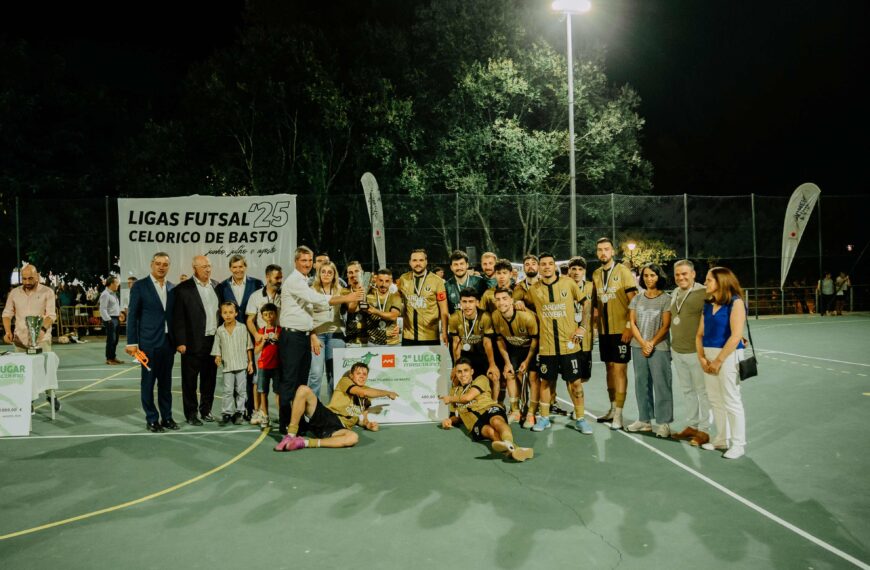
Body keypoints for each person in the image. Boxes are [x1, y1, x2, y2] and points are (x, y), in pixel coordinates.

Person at [277, 246, 362, 435]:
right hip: (292, 337)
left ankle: (299, 420)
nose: (307, 264)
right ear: (296, 262)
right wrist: (346, 297)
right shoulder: (294, 281)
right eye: (303, 261)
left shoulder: (304, 280)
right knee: (290, 382)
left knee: (301, 383)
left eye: (309, 261)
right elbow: (314, 299)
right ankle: (285, 423)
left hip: (303, 336)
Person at [520, 253, 588, 433]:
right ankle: (544, 418)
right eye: (543, 264)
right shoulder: (533, 290)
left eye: (550, 263)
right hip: (547, 346)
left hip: (569, 345)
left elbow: (586, 303)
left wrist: (583, 327)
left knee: (575, 383)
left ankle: (580, 418)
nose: (547, 267)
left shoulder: (568, 283)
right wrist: (519, 303)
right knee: (546, 383)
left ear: (555, 266)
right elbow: (525, 304)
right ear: (539, 268)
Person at [274, 362, 398, 451]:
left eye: (364, 374)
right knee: (303, 389)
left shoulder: (367, 398)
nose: (361, 376)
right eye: (358, 373)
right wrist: (387, 393)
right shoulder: (346, 381)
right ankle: (290, 436)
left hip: (338, 428)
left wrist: (367, 424)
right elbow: (362, 392)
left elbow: (361, 418)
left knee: (353, 437)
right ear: (351, 375)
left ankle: (303, 443)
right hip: (328, 416)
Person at [696, 266, 748, 460]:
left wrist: (718, 360)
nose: (705, 283)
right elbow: (699, 334)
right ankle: (721, 440)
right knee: (715, 400)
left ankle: (738, 444)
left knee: (731, 400)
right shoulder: (708, 304)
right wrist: (701, 357)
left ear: (721, 282)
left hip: (728, 356)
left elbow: (735, 337)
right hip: (708, 354)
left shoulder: (736, 303)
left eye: (709, 280)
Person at [439, 358, 534, 462]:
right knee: (490, 431)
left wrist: (449, 398)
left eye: (466, 370)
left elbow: (467, 398)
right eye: (459, 372)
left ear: (472, 372)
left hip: (488, 408)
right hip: (473, 422)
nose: (463, 374)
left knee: (496, 421)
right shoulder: (454, 391)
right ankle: (515, 451)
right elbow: (456, 416)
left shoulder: (481, 379)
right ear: (456, 373)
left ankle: (508, 443)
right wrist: (449, 420)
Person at [125, 252, 177, 432]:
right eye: (158, 264)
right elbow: (132, 316)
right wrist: (131, 342)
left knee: (166, 384)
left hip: (168, 343)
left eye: (165, 264)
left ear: (169, 267)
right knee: (148, 383)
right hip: (147, 344)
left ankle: (167, 417)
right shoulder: (140, 286)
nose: (162, 267)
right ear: (151, 264)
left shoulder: (172, 287)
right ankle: (152, 419)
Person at [591, 238, 638, 430]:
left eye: (607, 249)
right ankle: (611, 409)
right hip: (604, 331)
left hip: (621, 330)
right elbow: (596, 305)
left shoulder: (623, 271)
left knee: (620, 370)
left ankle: (619, 414)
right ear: (597, 253)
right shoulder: (595, 274)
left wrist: (629, 326)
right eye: (600, 250)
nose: (603, 253)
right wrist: (594, 327)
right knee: (609, 369)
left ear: (613, 252)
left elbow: (634, 301)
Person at [625, 263, 674, 438]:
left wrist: (651, 343)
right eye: (645, 276)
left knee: (662, 385)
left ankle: (664, 423)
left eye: (652, 275)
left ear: (658, 276)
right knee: (641, 384)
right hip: (638, 347)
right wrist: (642, 342)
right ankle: (644, 421)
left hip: (659, 348)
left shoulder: (666, 299)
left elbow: (666, 325)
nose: (649, 279)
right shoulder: (637, 299)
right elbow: (633, 323)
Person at [2, 264, 60, 411]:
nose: (27, 282)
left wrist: (41, 330)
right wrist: (8, 331)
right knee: (23, 372)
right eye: (24, 278)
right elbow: (7, 314)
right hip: (20, 340)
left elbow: (51, 315)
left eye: (30, 278)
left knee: (46, 370)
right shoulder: (14, 293)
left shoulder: (47, 292)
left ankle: (51, 394)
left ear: (37, 276)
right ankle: (28, 401)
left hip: (42, 339)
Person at [172, 255, 220, 426]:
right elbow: (178, 318)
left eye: (209, 266)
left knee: (210, 379)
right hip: (192, 343)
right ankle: (191, 414)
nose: (208, 269)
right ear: (194, 268)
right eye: (204, 266)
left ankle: (206, 411)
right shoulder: (183, 289)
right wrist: (180, 342)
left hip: (213, 342)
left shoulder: (217, 286)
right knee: (190, 381)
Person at [216, 254, 264, 420]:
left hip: (252, 333)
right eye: (234, 267)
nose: (238, 270)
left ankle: (248, 410)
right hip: (231, 335)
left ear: (245, 267)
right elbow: (220, 311)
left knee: (251, 375)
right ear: (230, 268)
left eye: (241, 266)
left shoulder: (257, 284)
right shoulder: (222, 287)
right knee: (232, 379)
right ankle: (231, 411)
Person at [668, 260, 711, 447]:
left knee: (703, 391)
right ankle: (692, 425)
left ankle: (705, 430)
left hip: (696, 351)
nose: (681, 277)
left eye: (684, 274)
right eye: (677, 274)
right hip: (677, 350)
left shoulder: (704, 293)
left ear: (693, 274)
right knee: (687, 391)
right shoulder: (675, 292)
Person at [490, 287, 539, 427]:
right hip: (514, 348)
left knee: (533, 377)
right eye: (498, 300)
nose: (501, 303)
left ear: (512, 300)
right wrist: (507, 362)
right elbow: (499, 339)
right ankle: (515, 410)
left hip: (532, 348)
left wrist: (527, 361)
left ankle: (531, 413)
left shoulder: (526, 316)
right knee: (510, 374)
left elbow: (535, 340)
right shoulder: (495, 316)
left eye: (505, 298)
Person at [308, 261, 348, 401]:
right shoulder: (312, 290)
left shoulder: (341, 290)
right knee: (316, 373)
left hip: (336, 335)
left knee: (335, 374)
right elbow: (307, 315)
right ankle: (313, 410)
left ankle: (333, 408)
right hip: (318, 336)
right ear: (319, 274)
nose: (326, 275)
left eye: (329, 272)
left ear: (334, 275)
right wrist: (312, 336)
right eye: (323, 272)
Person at [565, 257, 595, 434]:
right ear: (569, 270)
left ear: (584, 272)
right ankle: (578, 411)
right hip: (569, 338)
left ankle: (577, 408)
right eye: (573, 268)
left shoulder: (591, 287)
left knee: (583, 378)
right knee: (572, 377)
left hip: (586, 337)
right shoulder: (564, 285)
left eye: (580, 269)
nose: (576, 272)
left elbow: (595, 309)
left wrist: (594, 328)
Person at [448, 288, 499, 391]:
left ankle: (493, 405)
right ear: (460, 303)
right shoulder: (454, 318)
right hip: (465, 355)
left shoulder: (485, 317)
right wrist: (455, 366)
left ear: (477, 302)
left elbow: (487, 342)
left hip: (482, 354)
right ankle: (460, 404)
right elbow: (455, 343)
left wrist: (492, 364)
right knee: (456, 378)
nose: (467, 306)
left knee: (493, 377)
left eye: (471, 302)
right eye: (464, 302)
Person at [211, 301, 254, 425]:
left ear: (236, 313)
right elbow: (217, 347)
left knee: (241, 390)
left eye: (231, 312)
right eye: (225, 313)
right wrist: (218, 357)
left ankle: (240, 411)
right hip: (228, 366)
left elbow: (248, 346)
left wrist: (250, 362)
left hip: (241, 365)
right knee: (227, 390)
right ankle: (227, 413)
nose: (228, 315)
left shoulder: (242, 328)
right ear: (221, 314)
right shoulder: (220, 330)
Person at [397, 249, 449, 346]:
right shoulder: (403, 279)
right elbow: (395, 302)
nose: (418, 263)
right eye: (414, 260)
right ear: (410, 262)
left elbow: (444, 310)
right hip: (408, 336)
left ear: (426, 261)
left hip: (430, 336)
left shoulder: (437, 281)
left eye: (421, 260)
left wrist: (445, 332)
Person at [252, 302, 280, 427]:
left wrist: (277, 339)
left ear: (276, 314)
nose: (269, 317)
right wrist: (263, 341)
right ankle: (265, 415)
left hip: (277, 366)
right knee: (263, 392)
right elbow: (256, 351)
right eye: (266, 315)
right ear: (262, 317)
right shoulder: (260, 331)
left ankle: (281, 416)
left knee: (279, 392)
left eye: (271, 314)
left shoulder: (280, 330)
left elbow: (284, 347)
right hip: (263, 366)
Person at [364, 268, 403, 346]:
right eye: (381, 280)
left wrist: (374, 311)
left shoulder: (395, 296)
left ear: (391, 282)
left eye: (387, 281)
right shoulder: (368, 295)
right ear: (376, 281)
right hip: (373, 341)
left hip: (392, 342)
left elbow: (393, 316)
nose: (383, 284)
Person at [444, 250, 487, 314]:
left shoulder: (479, 282)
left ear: (467, 265)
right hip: (457, 322)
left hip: (477, 322)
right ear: (451, 267)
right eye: (456, 264)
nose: (459, 267)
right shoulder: (447, 286)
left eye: (461, 264)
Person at [340, 261, 367, 346]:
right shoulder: (344, 291)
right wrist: (358, 293)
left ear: (362, 272)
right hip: (351, 337)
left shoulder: (371, 290)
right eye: (350, 272)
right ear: (347, 275)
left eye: (356, 271)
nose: (353, 275)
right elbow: (351, 309)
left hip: (370, 337)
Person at [99, 276, 123, 365]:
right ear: (111, 284)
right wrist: (109, 320)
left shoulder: (113, 293)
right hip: (110, 319)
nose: (118, 284)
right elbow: (102, 309)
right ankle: (109, 359)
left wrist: (119, 313)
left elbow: (114, 307)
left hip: (116, 318)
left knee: (115, 339)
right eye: (116, 283)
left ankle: (113, 357)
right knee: (111, 340)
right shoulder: (105, 294)